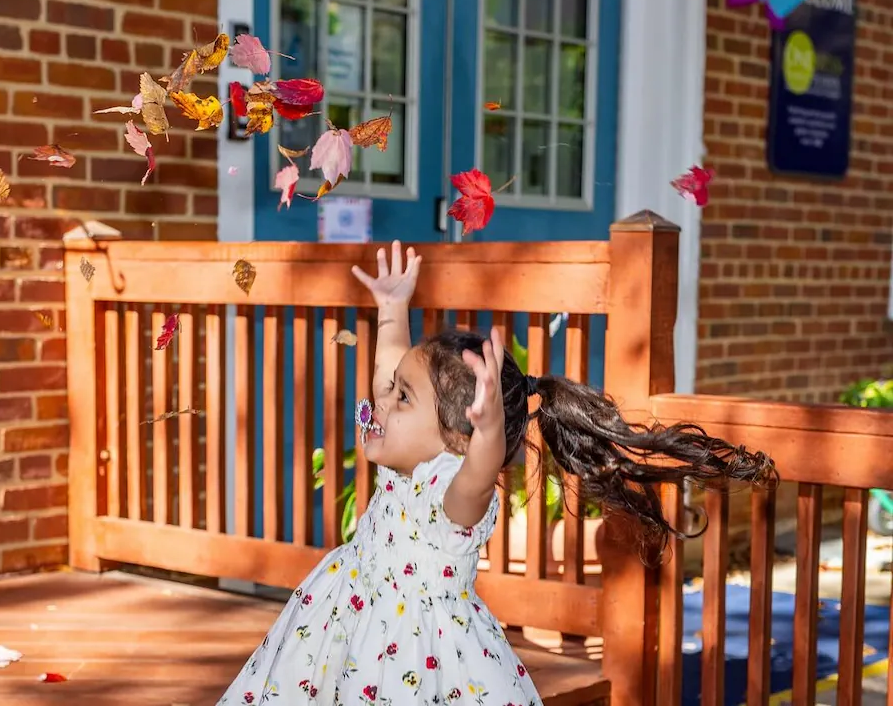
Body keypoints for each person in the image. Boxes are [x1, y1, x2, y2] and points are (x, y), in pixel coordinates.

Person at [217, 241, 776, 705]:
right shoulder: (399, 461)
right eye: (390, 391)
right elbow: (389, 366)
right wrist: (391, 310)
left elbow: (478, 478)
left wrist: (487, 434)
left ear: (456, 439)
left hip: (414, 661)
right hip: (344, 626)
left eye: (402, 397)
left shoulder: (449, 493)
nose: (380, 401)